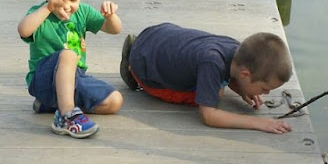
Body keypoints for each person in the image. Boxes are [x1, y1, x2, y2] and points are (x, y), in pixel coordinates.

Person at [18, 0, 123, 139]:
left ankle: (53, 105)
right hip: (43, 80)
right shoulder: (40, 13)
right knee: (68, 54)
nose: (67, 6)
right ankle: (66, 116)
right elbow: (24, 30)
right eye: (60, 0)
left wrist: (111, 16)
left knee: (114, 101)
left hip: (75, 78)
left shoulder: (83, 12)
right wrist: (48, 7)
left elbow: (114, 29)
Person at [120, 22, 293, 134]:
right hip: (143, 67)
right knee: (213, 95)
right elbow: (209, 116)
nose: (267, 92)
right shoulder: (212, 62)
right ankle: (132, 69)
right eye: (264, 88)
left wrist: (241, 88)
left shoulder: (235, 49)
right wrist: (259, 123)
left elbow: (231, 73)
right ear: (245, 74)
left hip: (154, 34)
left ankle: (138, 47)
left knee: (214, 84)